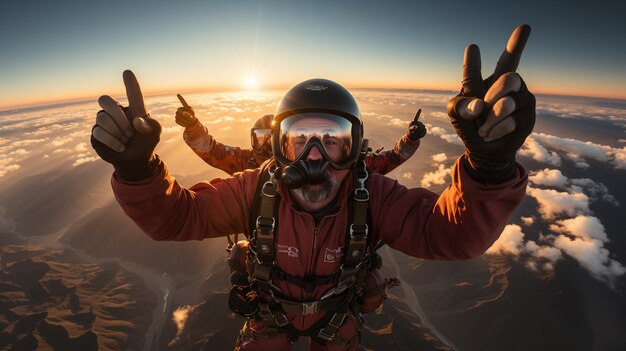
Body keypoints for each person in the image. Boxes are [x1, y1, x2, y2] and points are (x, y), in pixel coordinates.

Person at [91, 24, 535, 351]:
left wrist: (488, 168)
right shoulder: (255, 188)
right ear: (278, 149)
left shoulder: (372, 195)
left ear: (356, 149)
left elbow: (451, 236)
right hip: (269, 317)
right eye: (300, 141)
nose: (316, 159)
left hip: (337, 320)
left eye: (334, 141)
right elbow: (176, 216)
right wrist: (138, 172)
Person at [173, 95, 426, 176]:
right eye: (258, 138)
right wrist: (193, 127)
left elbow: (388, 160)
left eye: (266, 137)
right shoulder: (249, 163)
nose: (262, 144)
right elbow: (212, 152)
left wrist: (410, 139)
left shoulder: (337, 165)